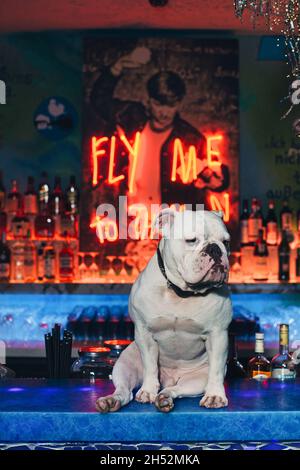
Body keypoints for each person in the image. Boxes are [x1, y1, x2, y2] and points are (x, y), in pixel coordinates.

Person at [90, 47, 229, 210]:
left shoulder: (192, 139)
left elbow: (214, 182)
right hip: (129, 219)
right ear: (148, 101)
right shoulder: (130, 116)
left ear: (179, 103)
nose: (164, 112)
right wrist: (117, 68)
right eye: (158, 104)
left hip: (170, 224)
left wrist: (216, 182)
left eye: (171, 105)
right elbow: (99, 101)